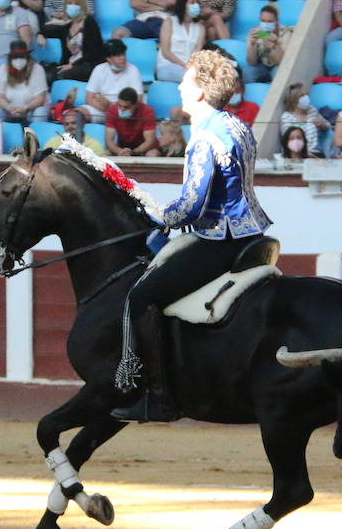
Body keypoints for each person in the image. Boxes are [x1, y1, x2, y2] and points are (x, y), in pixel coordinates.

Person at [110, 48, 270, 422]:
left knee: (141, 296)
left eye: (185, 81)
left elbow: (191, 208)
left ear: (199, 90)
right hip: (251, 233)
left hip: (220, 240)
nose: (179, 88)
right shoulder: (236, 125)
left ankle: (160, 397)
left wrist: (154, 212)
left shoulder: (204, 137)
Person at [0, 40, 48, 123]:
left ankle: (36, 134)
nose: (18, 60)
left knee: (40, 112)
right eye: (15, 57)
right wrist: (8, 107)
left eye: (21, 57)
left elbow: (39, 98)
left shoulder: (37, 69)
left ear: (27, 57)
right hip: (9, 110)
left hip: (30, 109)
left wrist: (26, 108)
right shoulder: (3, 69)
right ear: (10, 58)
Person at [85, 39, 142, 118]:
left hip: (124, 110)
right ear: (108, 59)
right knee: (77, 114)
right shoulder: (99, 69)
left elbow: (138, 100)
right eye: (118, 55)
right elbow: (89, 99)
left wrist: (110, 105)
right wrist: (106, 107)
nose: (123, 58)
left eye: (123, 54)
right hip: (101, 109)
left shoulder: (133, 70)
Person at [105, 85, 157, 156]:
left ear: (135, 105)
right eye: (119, 106)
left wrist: (132, 152)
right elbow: (109, 140)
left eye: (126, 107)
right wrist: (119, 151)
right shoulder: (111, 111)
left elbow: (149, 141)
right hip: (122, 147)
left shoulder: (147, 112)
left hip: (144, 148)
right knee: (105, 153)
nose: (122, 110)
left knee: (152, 154)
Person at [279, 82, 329, 156]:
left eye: (306, 94)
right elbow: (289, 141)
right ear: (294, 100)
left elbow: (328, 126)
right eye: (302, 95)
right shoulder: (286, 117)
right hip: (296, 154)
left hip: (315, 151)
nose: (306, 97)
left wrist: (322, 124)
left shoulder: (312, 110)